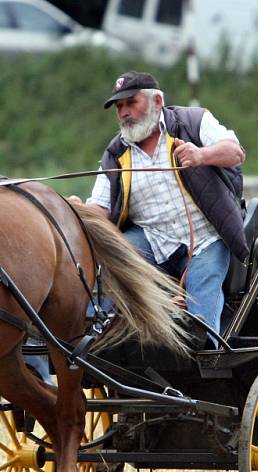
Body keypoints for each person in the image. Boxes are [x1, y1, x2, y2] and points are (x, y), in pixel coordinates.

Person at [85, 71, 247, 337]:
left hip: (205, 238)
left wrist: (201, 155)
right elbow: (100, 210)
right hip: (150, 238)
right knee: (111, 268)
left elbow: (235, 153)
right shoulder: (115, 154)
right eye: (119, 106)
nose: (124, 112)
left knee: (203, 292)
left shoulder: (193, 121)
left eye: (131, 102)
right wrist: (74, 210)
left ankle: (204, 351)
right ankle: (94, 337)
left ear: (157, 101)